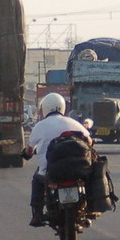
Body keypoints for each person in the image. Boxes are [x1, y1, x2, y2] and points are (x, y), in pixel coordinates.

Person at [23, 93, 93, 227]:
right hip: (78, 170)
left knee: (37, 181)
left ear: (45, 108)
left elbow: (30, 149)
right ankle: (90, 208)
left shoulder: (40, 126)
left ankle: (37, 214)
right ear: (62, 107)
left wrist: (26, 154)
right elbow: (89, 141)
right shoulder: (73, 123)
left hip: (50, 172)